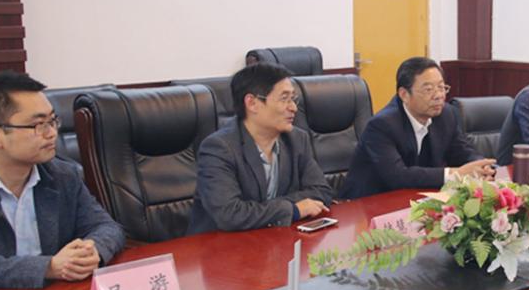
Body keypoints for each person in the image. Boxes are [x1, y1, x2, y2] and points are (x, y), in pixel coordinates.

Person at [0, 71, 125, 288]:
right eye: (38, 125)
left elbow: (107, 227)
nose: (51, 133)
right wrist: (48, 267)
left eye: (52, 121)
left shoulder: (63, 176)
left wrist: (91, 251)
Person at [189, 63, 333, 233]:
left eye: (293, 99)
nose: (293, 107)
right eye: (284, 99)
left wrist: (261, 210)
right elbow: (230, 214)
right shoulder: (219, 148)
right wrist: (293, 209)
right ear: (252, 103)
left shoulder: (297, 139)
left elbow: (321, 192)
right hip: (222, 244)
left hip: (275, 238)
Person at [342, 57, 494, 199]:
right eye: (428, 89)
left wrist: (481, 166)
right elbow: (398, 176)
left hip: (416, 199)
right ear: (404, 94)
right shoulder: (381, 126)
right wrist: (455, 174)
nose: (438, 95)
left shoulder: (445, 114)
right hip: (369, 204)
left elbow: (462, 151)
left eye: (441, 87)